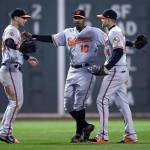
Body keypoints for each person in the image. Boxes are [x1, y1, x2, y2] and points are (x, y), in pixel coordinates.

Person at [30, 9, 107, 143]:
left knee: (79, 104)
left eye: (80, 17)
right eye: (75, 17)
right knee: (68, 105)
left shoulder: (94, 31)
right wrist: (33, 36)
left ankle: (79, 134)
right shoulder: (67, 33)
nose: (77, 19)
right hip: (72, 70)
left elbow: (110, 40)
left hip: (87, 70)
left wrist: (128, 44)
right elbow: (52, 38)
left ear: (84, 19)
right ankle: (86, 126)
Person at [89, 9, 138, 144]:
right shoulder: (114, 31)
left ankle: (102, 136)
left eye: (103, 18)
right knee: (123, 103)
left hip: (115, 71)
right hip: (120, 70)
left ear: (109, 19)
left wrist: (106, 68)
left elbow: (118, 51)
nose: (101, 20)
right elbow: (122, 43)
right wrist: (132, 43)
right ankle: (131, 135)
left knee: (101, 100)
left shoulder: (114, 31)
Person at [0, 8, 38, 144]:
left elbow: (12, 46)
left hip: (10, 68)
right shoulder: (11, 30)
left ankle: (4, 131)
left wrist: (27, 57)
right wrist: (20, 47)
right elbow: (10, 43)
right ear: (16, 17)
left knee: (13, 102)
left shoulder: (14, 31)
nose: (25, 20)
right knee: (16, 102)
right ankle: (5, 133)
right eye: (23, 17)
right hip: (11, 68)